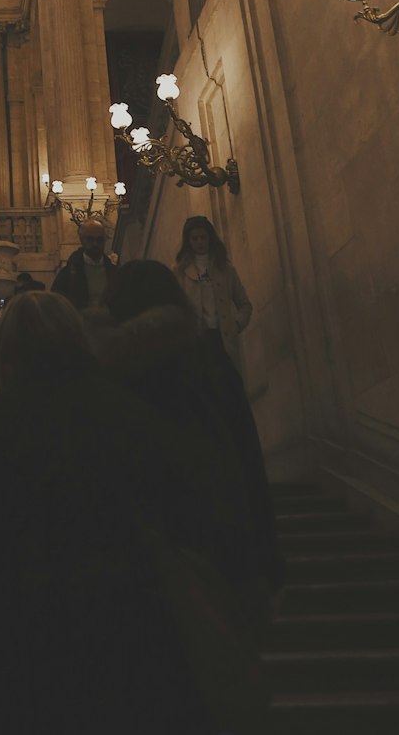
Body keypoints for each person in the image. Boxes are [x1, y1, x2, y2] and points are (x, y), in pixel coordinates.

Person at [0, 292, 215, 735]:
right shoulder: (130, 415)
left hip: (21, 654)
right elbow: (189, 522)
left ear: (6, 354)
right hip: (135, 645)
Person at [96, 260, 284, 611]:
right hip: (220, 547)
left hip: (143, 567)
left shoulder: (109, 375)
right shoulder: (208, 360)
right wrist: (267, 562)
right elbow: (246, 458)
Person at [173, 215, 253, 371]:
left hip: (223, 337)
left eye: (203, 237)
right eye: (195, 238)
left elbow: (244, 304)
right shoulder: (180, 272)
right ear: (188, 241)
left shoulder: (226, 270)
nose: (199, 242)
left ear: (210, 238)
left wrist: (236, 324)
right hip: (197, 339)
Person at [51, 214, 118, 309]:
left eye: (99, 239)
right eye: (90, 239)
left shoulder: (113, 271)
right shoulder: (68, 274)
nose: (95, 244)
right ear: (82, 240)